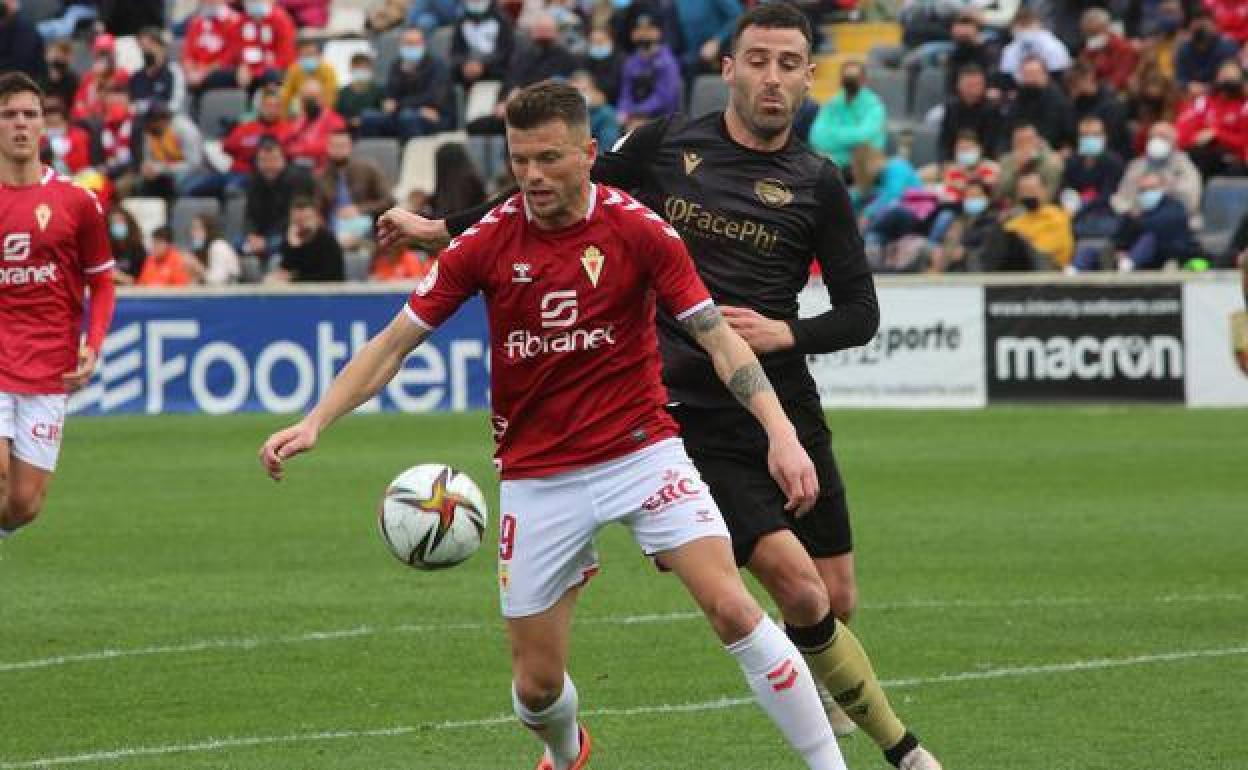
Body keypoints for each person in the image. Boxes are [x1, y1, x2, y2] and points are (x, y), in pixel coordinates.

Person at [378, 5, 942, 769]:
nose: (772, 77)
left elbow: (862, 312)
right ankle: (899, 750)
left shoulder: (818, 182)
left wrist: (788, 334)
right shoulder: (665, 144)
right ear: (729, 68)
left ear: (809, 76)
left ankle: (814, 695)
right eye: (759, 61)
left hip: (778, 396)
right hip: (681, 407)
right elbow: (546, 185)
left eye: (788, 64)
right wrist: (442, 228)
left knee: (834, 598)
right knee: (796, 592)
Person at [267, 78, 846, 770]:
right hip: (539, 476)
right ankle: (567, 751)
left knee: (733, 608)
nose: (532, 177)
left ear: (588, 153)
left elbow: (720, 339)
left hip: (644, 453)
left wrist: (781, 434)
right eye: (519, 162)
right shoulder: (485, 243)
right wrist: (316, 421)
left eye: (548, 159)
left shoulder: (639, 230)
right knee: (536, 688)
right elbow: (393, 344)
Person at [0, 72, 115, 542]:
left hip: (50, 368)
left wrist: (94, 345)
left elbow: (102, 282)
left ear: (44, 126)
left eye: (30, 115)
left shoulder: (76, 202)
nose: (20, 124)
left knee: (23, 505)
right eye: (8, 115)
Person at [808, 59, 887, 169]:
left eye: (854, 77)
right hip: (832, 163)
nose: (850, 81)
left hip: (861, 167)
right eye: (847, 77)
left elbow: (868, 141)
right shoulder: (833, 103)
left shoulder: (874, 105)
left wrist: (833, 135)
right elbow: (817, 137)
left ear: (863, 80)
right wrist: (851, 141)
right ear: (840, 80)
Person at [266, 194, 344, 282]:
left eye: (306, 219)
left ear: (316, 218)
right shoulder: (291, 241)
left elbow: (328, 277)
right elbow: (286, 269)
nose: (302, 224)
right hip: (297, 290)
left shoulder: (328, 241)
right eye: (297, 221)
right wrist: (294, 247)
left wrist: (293, 278)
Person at [189, 213, 241, 284]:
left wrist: (198, 268)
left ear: (208, 230)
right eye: (192, 228)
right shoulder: (201, 250)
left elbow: (218, 281)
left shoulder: (219, 247)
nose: (192, 233)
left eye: (197, 229)